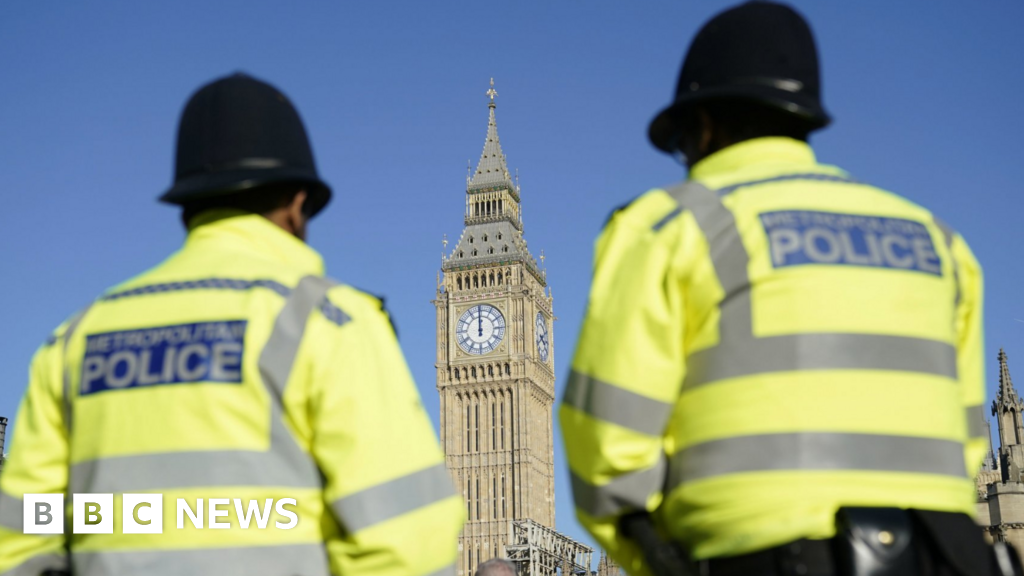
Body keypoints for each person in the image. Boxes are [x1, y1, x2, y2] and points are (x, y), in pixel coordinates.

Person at [560, 2, 1006, 575]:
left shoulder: (669, 227)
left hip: (763, 561)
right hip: (945, 559)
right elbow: (967, 442)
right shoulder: (939, 241)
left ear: (703, 126)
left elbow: (606, 451)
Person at [0, 73, 464, 576]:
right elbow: (410, 541)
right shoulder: (329, 321)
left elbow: (20, 534)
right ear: (297, 203)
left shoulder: (77, 338)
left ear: (188, 206)